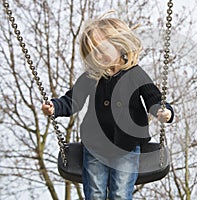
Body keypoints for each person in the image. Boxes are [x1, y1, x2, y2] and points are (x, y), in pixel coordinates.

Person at [42, 11, 174, 200]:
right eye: (93, 50)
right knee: (94, 193)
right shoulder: (92, 75)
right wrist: (54, 107)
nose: (97, 54)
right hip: (95, 144)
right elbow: (73, 100)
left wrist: (165, 112)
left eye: (102, 47)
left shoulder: (135, 74)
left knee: (120, 193)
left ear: (120, 45)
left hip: (127, 145)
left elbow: (154, 98)